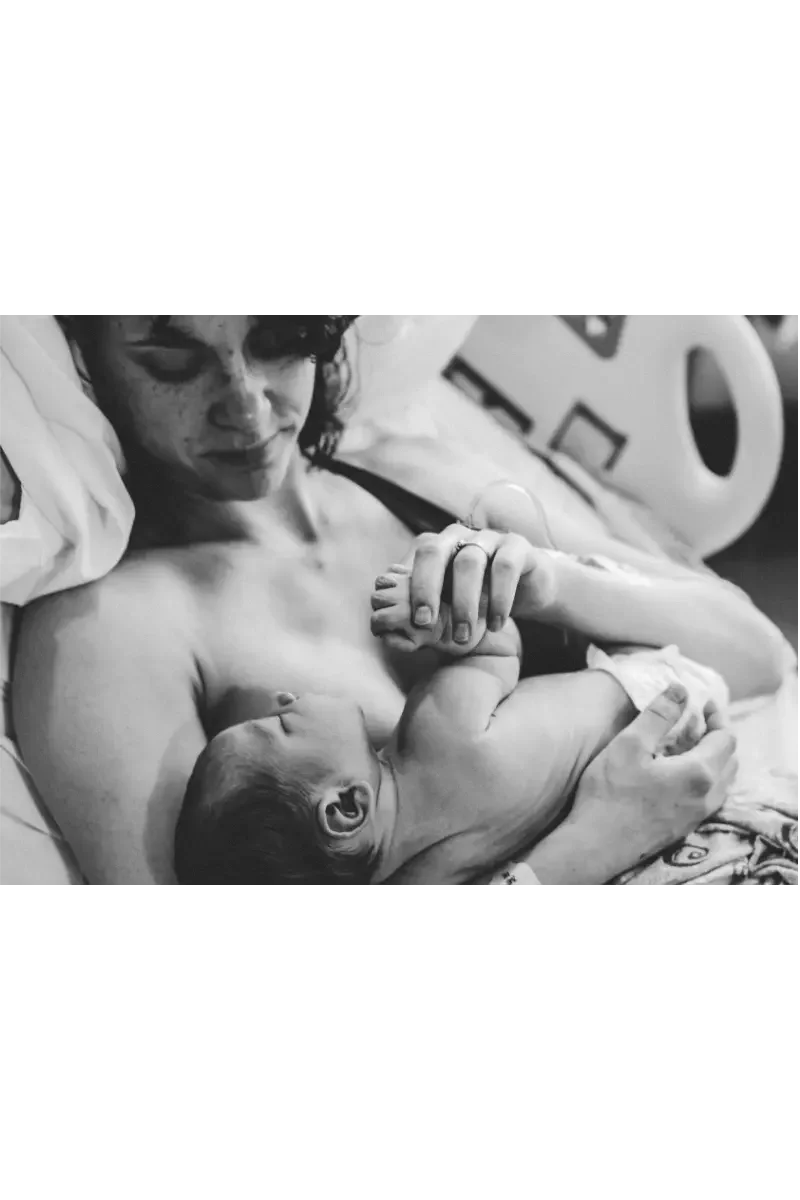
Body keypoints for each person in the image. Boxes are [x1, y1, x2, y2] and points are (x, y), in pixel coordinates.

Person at [11, 313, 788, 888]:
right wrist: (587, 848)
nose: (246, 406)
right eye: (175, 361)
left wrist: (557, 583)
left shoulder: (419, 478)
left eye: (279, 336)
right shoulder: (107, 632)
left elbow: (755, 655)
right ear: (87, 361)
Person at [175, 551, 743, 889]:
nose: (279, 699)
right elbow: (498, 649)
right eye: (280, 727)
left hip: (661, 763)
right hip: (658, 686)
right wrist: (439, 623)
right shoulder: (433, 733)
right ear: (346, 808)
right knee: (530, 535)